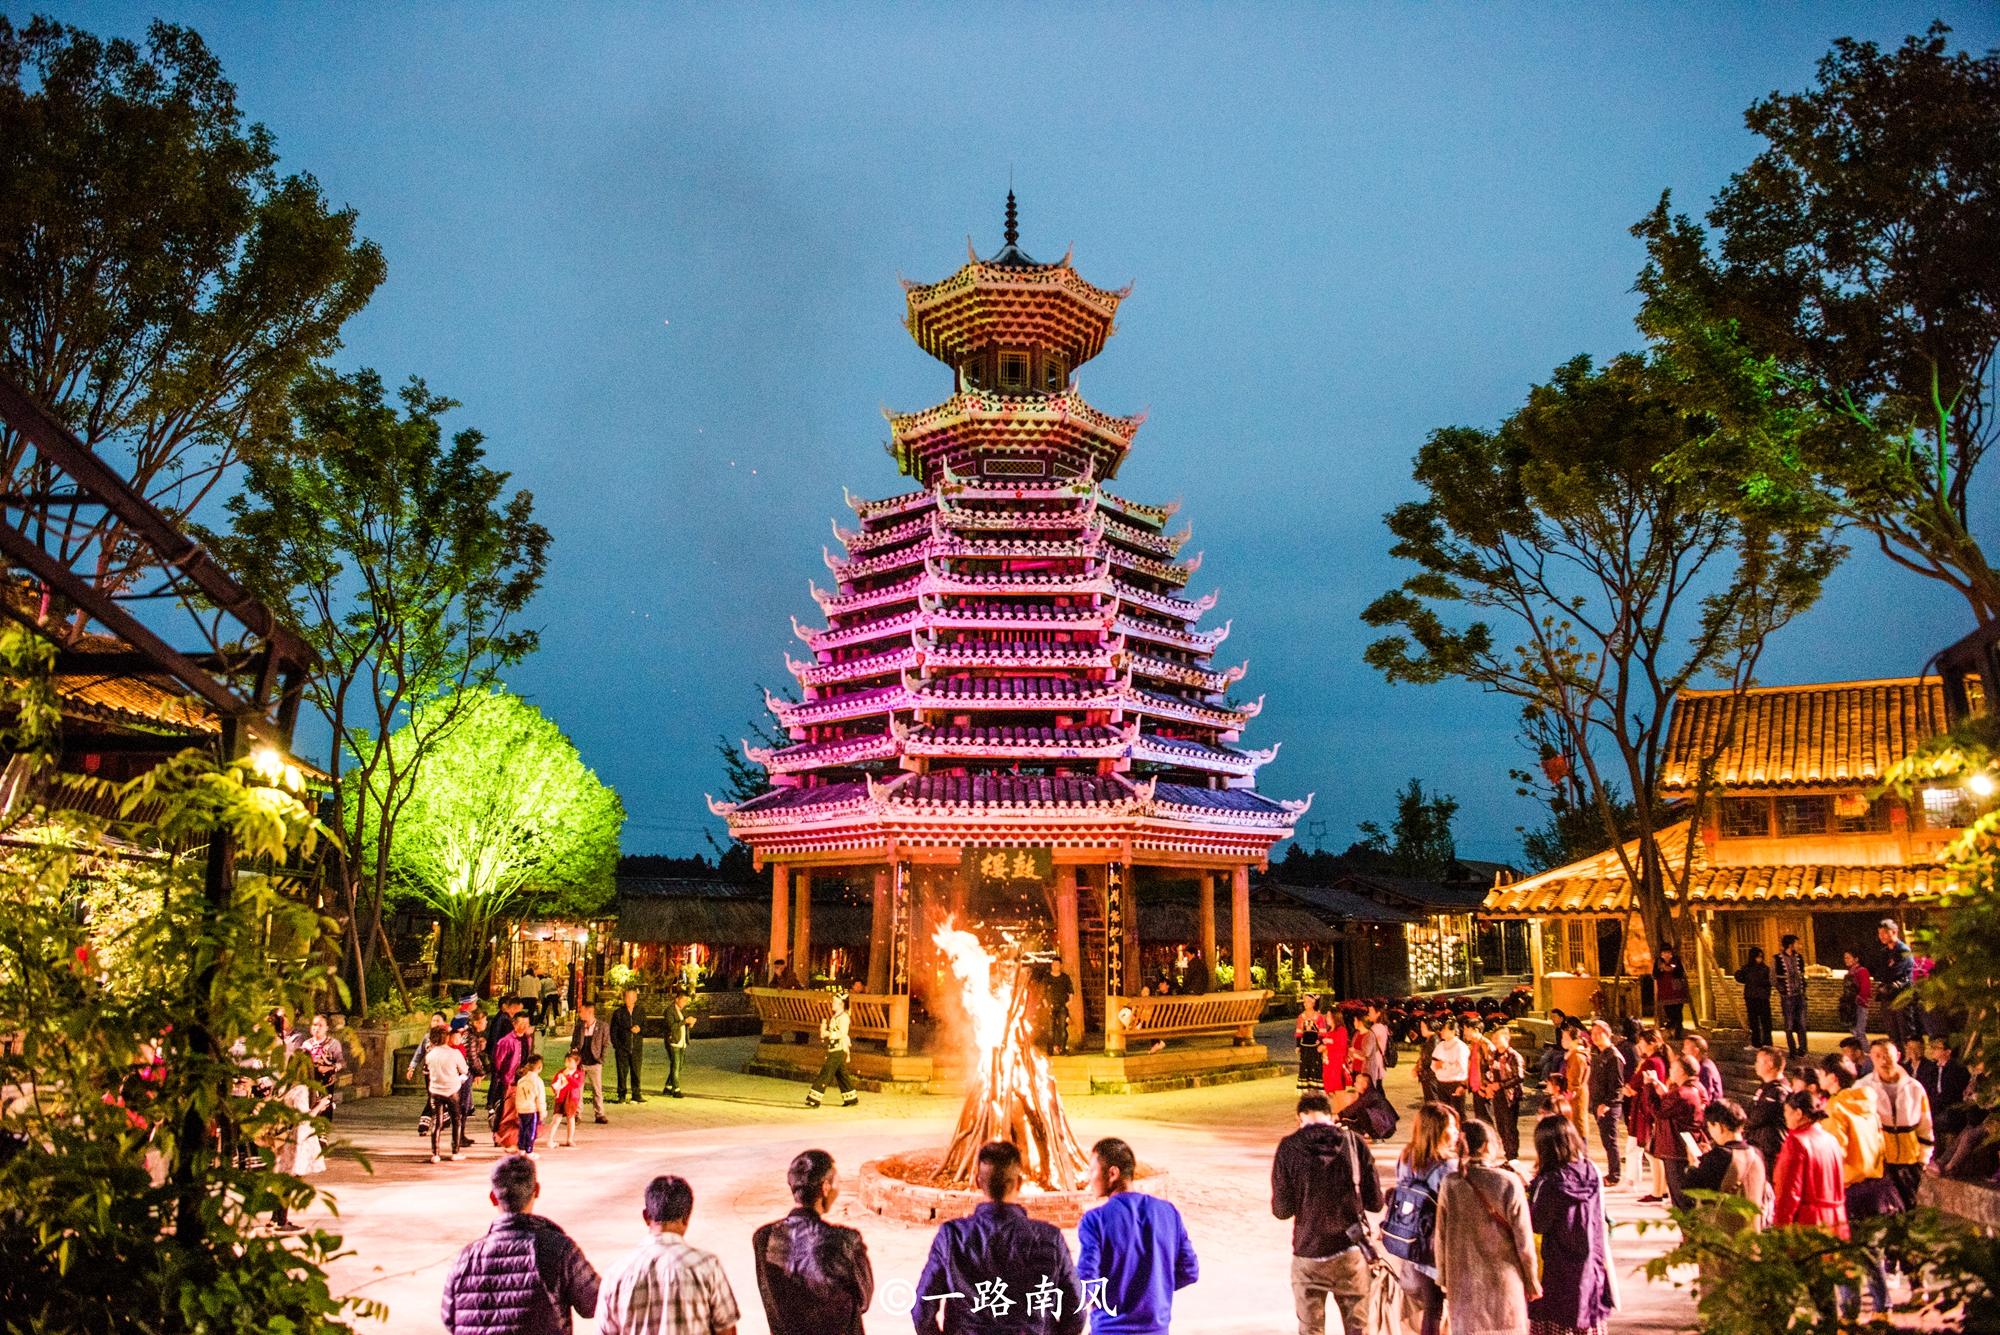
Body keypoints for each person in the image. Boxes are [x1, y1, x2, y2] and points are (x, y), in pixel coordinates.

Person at [914, 1140, 1083, 1334]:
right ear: (1018, 1183)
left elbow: (922, 1308)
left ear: (978, 1181)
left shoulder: (952, 1236)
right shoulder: (1050, 1238)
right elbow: (1076, 1310)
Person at [442, 1156, 600, 1335]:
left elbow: (450, 1318)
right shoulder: (559, 1250)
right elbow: (595, 1304)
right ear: (537, 1190)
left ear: (493, 1197)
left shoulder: (465, 1259)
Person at [1271, 1090, 1381, 1335]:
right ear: (1331, 1116)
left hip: (1309, 1251)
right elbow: (1375, 1203)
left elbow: (1281, 1210)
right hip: (1350, 1253)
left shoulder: (1288, 1147)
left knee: (1311, 1331)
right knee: (1359, 1329)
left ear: (1300, 1118)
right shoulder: (1354, 1143)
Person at [1078, 1137, 1198, 1334]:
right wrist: (1154, 1288)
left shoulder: (1095, 1221)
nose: (1088, 1178)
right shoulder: (1168, 1213)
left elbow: (1086, 1282)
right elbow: (1189, 1270)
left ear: (1112, 1173)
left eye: (1092, 1170)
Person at [600, 1174, 741, 1335]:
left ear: (646, 1217)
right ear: (686, 1218)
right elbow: (726, 1330)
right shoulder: (706, 1266)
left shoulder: (615, 1273)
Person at [1436, 1118, 1540, 1335]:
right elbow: (1524, 1239)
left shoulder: (1450, 1183)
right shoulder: (1508, 1182)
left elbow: (1441, 1236)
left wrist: (1444, 1278)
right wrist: (1531, 1280)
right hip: (1504, 1283)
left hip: (1463, 1285)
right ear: (1485, 1146)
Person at [754, 1149, 872, 1335]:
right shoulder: (845, 1241)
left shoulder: (763, 1238)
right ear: (825, 1188)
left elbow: (770, 1295)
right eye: (836, 1182)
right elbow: (864, 1300)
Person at [1526, 1115, 1617, 1335]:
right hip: (1591, 1265)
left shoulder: (1550, 1182)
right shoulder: (1591, 1171)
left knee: (1557, 1323)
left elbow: (1538, 1224)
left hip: (1557, 1271)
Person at [1818, 1054, 1892, 1319]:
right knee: (1872, 1252)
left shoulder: (1836, 1108)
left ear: (1833, 1078)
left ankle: (1849, 1314)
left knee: (1843, 1255)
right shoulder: (1867, 1103)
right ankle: (1883, 1309)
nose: (1820, 1078)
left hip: (1847, 1187)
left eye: (1822, 1073)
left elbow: (1835, 1151)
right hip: (1874, 1184)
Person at [1388, 1103, 1458, 1335]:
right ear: (1437, 1130)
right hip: (1436, 1244)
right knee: (1436, 1308)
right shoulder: (1447, 1166)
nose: (1457, 1132)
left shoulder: (1407, 1156)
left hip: (1411, 1237)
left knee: (1428, 1305)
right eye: (1452, 1127)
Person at [1858, 1037, 1932, 1216]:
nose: (1883, 1060)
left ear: (1898, 1056)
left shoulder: (1914, 1088)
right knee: (1884, 1211)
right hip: (1880, 1162)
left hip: (1910, 1160)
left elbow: (1925, 1124)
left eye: (1887, 1055)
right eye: (1877, 1056)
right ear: (1871, 1058)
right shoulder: (1863, 1088)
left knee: (1909, 1209)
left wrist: (1924, 1158)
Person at [1771, 1090, 1848, 1234]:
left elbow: (1788, 1192)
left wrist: (1780, 1228)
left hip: (1809, 1223)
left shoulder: (1796, 1142)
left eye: (1787, 1111)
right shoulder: (1831, 1140)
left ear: (1798, 1113)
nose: (1785, 1117)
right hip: (1837, 1221)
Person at [1685, 1100, 1769, 1231]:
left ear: (1719, 1126)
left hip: (1725, 1238)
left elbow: (1690, 1189)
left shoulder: (1719, 1156)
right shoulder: (1757, 1153)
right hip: (1752, 1235)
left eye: (1710, 1127)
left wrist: (1693, 1165)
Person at [1646, 1055, 1708, 1209]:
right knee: (1682, 1196)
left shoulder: (1682, 1093)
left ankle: (1689, 1231)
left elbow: (1659, 1111)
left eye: (1673, 1068)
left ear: (1681, 1071)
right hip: (1683, 1147)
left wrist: (1649, 1087)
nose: (1670, 1071)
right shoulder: (1695, 1089)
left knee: (1681, 1197)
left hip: (1676, 1149)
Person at [1625, 1028, 1669, 1204]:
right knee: (1652, 1151)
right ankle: (1661, 1188)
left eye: (1642, 1041)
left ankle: (1658, 1190)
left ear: (1651, 1043)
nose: (1639, 1045)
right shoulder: (1658, 1060)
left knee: (1652, 1151)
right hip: (1650, 1106)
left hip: (1647, 1108)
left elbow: (1632, 1086)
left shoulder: (1651, 1062)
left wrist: (1631, 1088)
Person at [1585, 1021, 1628, 1187]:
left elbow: (1617, 1085)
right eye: (1593, 1034)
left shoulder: (1614, 1056)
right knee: (1606, 1140)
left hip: (1609, 1105)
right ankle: (1612, 1172)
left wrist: (1607, 1104)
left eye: (1599, 1034)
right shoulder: (1599, 1053)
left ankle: (1614, 1175)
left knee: (1610, 1140)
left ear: (1608, 1034)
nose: (1595, 1037)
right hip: (1598, 1103)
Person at [422, 1022, 468, 1163]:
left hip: (435, 1091)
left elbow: (427, 1071)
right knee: (456, 1121)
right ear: (446, 1038)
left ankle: (435, 1153)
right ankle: (455, 1151)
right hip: (452, 1090)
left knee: (437, 1123)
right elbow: (465, 1070)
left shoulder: (430, 1055)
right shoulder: (454, 1053)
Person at [806, 992, 859, 1109]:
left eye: (835, 1002)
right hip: (834, 1047)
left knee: (826, 1072)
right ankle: (851, 1098)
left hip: (839, 1048)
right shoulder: (836, 1016)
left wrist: (828, 1033)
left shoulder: (844, 1017)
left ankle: (814, 1098)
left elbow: (842, 1033)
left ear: (841, 1004)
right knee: (841, 1074)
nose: (832, 1004)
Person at [1484, 1021, 1525, 1162]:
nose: (1494, 1041)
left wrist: (1500, 1085)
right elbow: (1490, 1072)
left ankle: (1513, 1156)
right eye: (1493, 1038)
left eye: (1497, 1038)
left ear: (1506, 1039)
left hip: (1510, 1096)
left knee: (1510, 1127)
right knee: (1501, 1126)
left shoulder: (1514, 1056)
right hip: (1497, 1095)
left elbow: (1519, 1076)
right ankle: (1508, 1155)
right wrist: (1489, 1085)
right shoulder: (1494, 1055)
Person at [1744, 1045, 1789, 1171]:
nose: (1755, 1064)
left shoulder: (1779, 1091)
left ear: (1770, 1064)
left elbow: (1757, 1117)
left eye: (1758, 1061)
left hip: (1770, 1152)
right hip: (1759, 1148)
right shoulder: (1765, 1087)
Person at [1876, 918, 1917, 1049]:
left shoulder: (1903, 950)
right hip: (1887, 995)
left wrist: (1890, 979)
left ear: (1894, 932)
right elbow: (1881, 973)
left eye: (1884, 933)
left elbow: (1898, 973)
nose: (1881, 936)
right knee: (1892, 1032)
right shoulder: (1884, 952)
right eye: (1880, 933)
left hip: (1901, 995)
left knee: (1905, 1031)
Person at [569, 1000, 610, 1124]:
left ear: (590, 1012)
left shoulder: (602, 1026)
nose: (580, 1014)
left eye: (582, 1011)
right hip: (581, 1062)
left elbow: (606, 1044)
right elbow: (574, 1042)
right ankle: (577, 1114)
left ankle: (600, 1114)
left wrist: (601, 1058)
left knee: (597, 1090)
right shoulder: (579, 1026)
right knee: (578, 1089)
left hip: (595, 1062)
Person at [1336, 1070, 1399, 1142]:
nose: (1354, 1084)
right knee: (1346, 1124)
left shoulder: (1371, 1095)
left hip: (1384, 1128)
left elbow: (1355, 1107)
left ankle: (1371, 1136)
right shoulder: (1366, 1095)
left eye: (1357, 1082)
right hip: (1380, 1125)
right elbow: (1354, 1114)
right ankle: (1366, 1134)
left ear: (1364, 1084)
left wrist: (1339, 1115)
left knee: (1359, 1110)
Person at [1775, 934, 1809, 1058]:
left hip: (1799, 995)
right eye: (1796, 943)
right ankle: (1792, 1049)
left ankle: (1803, 1048)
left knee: (1802, 1023)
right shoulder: (1778, 958)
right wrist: (1782, 990)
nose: (1798, 945)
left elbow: (1802, 974)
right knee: (1789, 1024)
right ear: (1790, 944)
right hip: (1787, 997)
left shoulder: (1799, 958)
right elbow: (1773, 977)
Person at [611, 987, 647, 1104]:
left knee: (636, 1071)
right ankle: (621, 1094)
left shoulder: (640, 1011)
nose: (629, 1000)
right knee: (622, 1072)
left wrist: (640, 1029)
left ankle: (636, 1094)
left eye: (632, 997)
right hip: (622, 1048)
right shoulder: (618, 1013)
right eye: (627, 997)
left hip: (636, 1047)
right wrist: (617, 1045)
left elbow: (646, 1027)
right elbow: (613, 1031)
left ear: (635, 998)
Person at [1734, 946, 1774, 1048]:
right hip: (1751, 998)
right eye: (1757, 957)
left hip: (1762, 998)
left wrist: (1765, 989)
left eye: (1761, 956)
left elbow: (1769, 982)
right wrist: (1738, 974)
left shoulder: (1765, 969)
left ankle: (1767, 1042)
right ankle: (1756, 1042)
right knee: (1754, 1022)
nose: (1759, 959)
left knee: (1766, 1022)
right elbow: (1740, 978)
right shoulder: (1747, 968)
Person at [1429, 1018, 1470, 1118]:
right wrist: (1439, 1066)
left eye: (1445, 1029)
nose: (1442, 1032)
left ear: (1453, 1031)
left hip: (1455, 1083)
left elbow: (1462, 1066)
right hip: (1442, 1082)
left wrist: (1444, 1065)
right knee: (1444, 1112)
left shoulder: (1460, 1046)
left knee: (1457, 1112)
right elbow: (1434, 1063)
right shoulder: (1440, 1045)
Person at [662, 987, 695, 1098]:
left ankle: (668, 1087)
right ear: (677, 999)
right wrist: (684, 1021)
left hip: (682, 1042)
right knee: (675, 1065)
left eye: (686, 1001)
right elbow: (672, 1026)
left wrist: (690, 1023)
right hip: (673, 1041)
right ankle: (676, 1089)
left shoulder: (682, 1010)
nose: (685, 1003)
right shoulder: (669, 1011)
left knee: (678, 1066)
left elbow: (682, 1024)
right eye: (683, 1000)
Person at [1560, 1024, 1590, 1147]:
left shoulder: (1577, 1056)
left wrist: (1569, 1094)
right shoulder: (1573, 1054)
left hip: (1575, 1096)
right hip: (1573, 1094)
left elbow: (1575, 1081)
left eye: (1565, 1038)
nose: (1562, 1041)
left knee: (1578, 1125)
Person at [514, 1053, 548, 1156]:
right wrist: (542, 1111)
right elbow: (540, 1098)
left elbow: (518, 1096)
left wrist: (517, 1109)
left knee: (522, 1130)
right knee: (531, 1131)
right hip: (532, 1109)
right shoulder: (538, 1081)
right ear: (539, 1067)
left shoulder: (521, 1080)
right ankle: (529, 1150)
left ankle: (521, 1149)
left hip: (521, 1109)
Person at [1653, 946, 1689, 1039]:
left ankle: (1677, 1033)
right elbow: (1655, 975)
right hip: (1665, 993)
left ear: (1671, 954)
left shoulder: (1676, 961)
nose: (1666, 955)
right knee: (1669, 1013)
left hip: (1677, 992)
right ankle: (1670, 1031)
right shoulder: (1658, 963)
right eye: (1664, 953)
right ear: (1661, 954)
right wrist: (1662, 969)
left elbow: (1681, 973)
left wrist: (1672, 969)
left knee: (1678, 1013)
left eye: (1668, 953)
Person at [1840, 948, 1873, 1048]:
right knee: (1854, 1030)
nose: (1846, 960)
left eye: (1848, 958)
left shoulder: (1862, 971)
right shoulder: (1850, 972)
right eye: (1845, 958)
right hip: (1850, 1006)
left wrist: (1859, 1000)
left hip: (1859, 1005)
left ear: (1856, 959)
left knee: (1859, 1031)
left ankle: (1866, 1053)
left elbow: (1865, 989)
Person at [1295, 995, 1328, 1094]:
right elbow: (1299, 1032)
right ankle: (1305, 1086)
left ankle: (1317, 1085)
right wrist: (1297, 1045)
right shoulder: (1301, 1017)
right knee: (1305, 1064)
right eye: (1304, 1002)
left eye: (1308, 1002)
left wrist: (1320, 1040)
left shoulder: (1319, 1017)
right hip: (1305, 1045)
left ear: (1313, 1003)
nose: (1305, 1004)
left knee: (1316, 1064)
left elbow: (1322, 1031)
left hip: (1315, 1046)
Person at [551, 1050, 584, 1148]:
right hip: (561, 1098)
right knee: (557, 1118)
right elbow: (554, 1082)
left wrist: (568, 1076)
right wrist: (555, 1089)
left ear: (577, 1062)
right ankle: (551, 1139)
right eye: (566, 1061)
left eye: (570, 1061)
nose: (567, 1063)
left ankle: (569, 1139)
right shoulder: (561, 1072)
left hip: (572, 1098)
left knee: (571, 1118)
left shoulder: (579, 1073)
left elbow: (577, 1084)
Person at [1683, 1034, 1725, 1106]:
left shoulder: (1705, 1068)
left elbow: (1705, 1097)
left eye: (1686, 1048)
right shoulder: (1702, 1064)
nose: (1683, 1051)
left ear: (1696, 1051)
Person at [1046, 960, 1075, 1055]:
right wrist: (1045, 1003)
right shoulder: (1047, 978)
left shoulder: (1065, 978)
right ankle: (1050, 1050)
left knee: (1062, 1029)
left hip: (1062, 1006)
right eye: (1053, 964)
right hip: (1050, 1006)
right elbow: (1043, 992)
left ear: (1061, 966)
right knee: (1050, 1030)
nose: (1055, 966)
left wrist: (1070, 1001)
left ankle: (1062, 1049)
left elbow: (1070, 991)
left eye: (1057, 965)